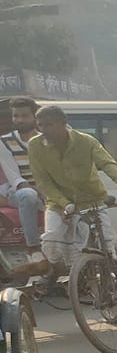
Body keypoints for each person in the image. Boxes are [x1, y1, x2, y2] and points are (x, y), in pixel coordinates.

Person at [29, 105, 117, 268]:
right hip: (58, 204)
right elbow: (43, 181)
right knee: (52, 238)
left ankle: (112, 278)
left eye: (49, 124)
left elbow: (108, 164)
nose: (43, 129)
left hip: (92, 200)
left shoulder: (86, 141)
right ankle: (59, 272)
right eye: (40, 125)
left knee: (107, 246)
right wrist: (65, 203)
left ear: (63, 123)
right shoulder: (35, 145)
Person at [0, 98, 46, 264]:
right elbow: (15, 178)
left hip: (45, 188)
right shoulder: (4, 142)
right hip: (18, 191)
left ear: (34, 117)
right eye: (16, 116)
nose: (19, 120)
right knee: (28, 195)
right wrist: (40, 193)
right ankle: (33, 246)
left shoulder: (45, 140)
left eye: (24, 115)